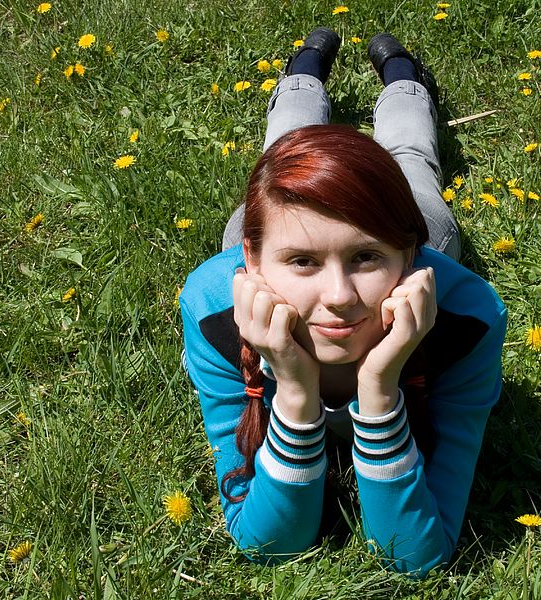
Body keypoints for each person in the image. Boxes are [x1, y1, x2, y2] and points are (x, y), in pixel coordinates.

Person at [179, 27, 507, 577]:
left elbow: (417, 557)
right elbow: (268, 545)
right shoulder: (214, 308)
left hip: (404, 212)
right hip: (286, 220)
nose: (339, 298)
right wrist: (295, 388)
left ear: (409, 255)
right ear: (252, 262)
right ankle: (305, 68)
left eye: (366, 259)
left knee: (410, 160)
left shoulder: (468, 317)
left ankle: (403, 77)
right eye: (302, 263)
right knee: (287, 148)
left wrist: (379, 388)